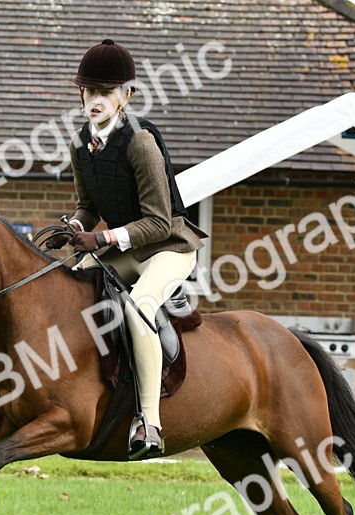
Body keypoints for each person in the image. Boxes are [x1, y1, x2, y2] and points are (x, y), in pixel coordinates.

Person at [45, 39, 209, 460]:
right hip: (127, 245)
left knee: (138, 309)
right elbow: (89, 207)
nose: (95, 100)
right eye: (89, 91)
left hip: (168, 246)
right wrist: (75, 227)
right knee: (69, 284)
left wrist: (100, 238)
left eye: (106, 92)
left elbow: (157, 221)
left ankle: (149, 422)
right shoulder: (81, 142)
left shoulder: (140, 143)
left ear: (126, 96)